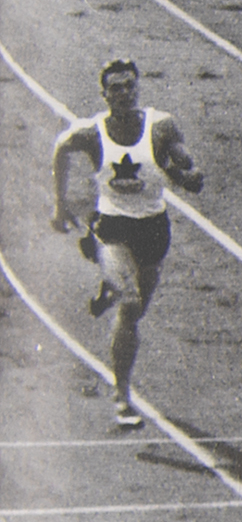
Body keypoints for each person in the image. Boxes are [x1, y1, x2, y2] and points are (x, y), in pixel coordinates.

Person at [50, 58, 204, 431]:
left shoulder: (161, 127)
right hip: (113, 226)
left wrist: (185, 174)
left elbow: (187, 170)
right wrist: (60, 204)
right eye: (115, 87)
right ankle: (122, 396)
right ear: (104, 94)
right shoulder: (91, 132)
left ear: (137, 88)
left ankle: (111, 289)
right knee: (131, 300)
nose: (123, 93)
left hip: (152, 228)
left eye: (129, 85)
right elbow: (61, 148)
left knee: (133, 315)